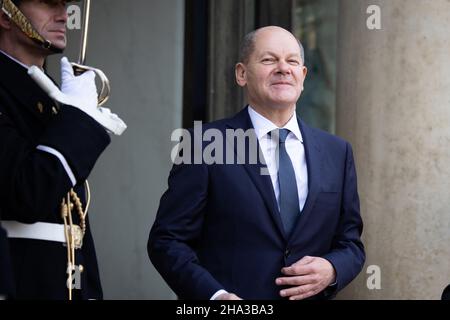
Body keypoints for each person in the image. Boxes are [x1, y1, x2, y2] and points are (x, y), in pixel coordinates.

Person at [148, 26, 365, 300]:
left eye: (292, 61)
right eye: (268, 59)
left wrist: (332, 268)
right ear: (241, 73)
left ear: (303, 75)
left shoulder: (337, 152)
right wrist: (216, 296)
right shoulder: (203, 144)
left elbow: (351, 244)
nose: (283, 68)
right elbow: (167, 241)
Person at [0, 0, 125, 299]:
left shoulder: (53, 96)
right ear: (5, 15)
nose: (63, 15)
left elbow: (74, 228)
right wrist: (78, 120)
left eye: (65, 4)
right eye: (47, 4)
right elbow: (28, 193)